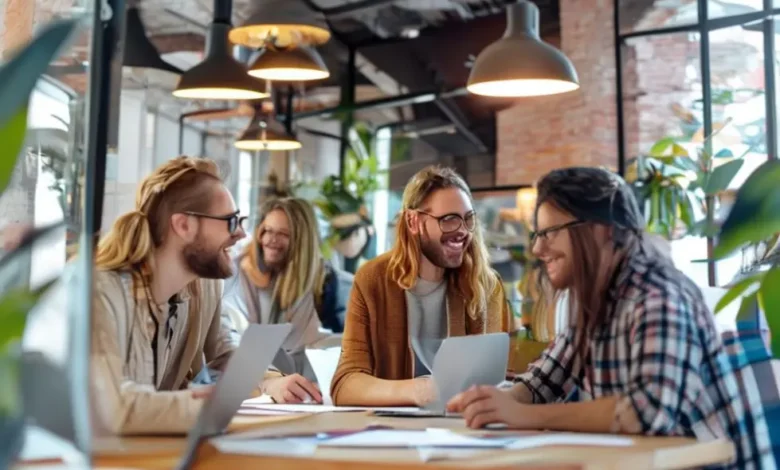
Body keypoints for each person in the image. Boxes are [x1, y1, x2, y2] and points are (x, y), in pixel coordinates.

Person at [447, 167, 770, 468]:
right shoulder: (594, 299)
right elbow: (541, 383)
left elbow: (647, 413)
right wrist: (490, 402)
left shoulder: (659, 296)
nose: (537, 249)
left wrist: (520, 415)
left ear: (601, 230)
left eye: (549, 232)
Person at [90, 156, 317, 435]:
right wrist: (206, 406)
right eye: (231, 221)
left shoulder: (203, 286)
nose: (243, 234)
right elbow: (111, 408)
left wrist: (271, 381)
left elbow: (224, 347)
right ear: (184, 226)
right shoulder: (100, 293)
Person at [330, 166, 513, 406]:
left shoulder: (486, 285)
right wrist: (419, 391)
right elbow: (346, 384)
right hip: (392, 431)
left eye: (468, 219)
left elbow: (494, 381)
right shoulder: (372, 280)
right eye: (448, 220)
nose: (462, 231)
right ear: (413, 221)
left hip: (461, 428)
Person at [222, 197, 352, 385]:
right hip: (244, 382)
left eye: (283, 234)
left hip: (299, 386)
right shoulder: (234, 274)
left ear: (302, 240)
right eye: (267, 230)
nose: (271, 240)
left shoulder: (326, 285)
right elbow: (225, 340)